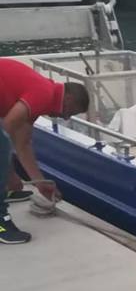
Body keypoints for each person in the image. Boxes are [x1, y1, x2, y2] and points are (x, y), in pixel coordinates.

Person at [0, 57, 90, 245]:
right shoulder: (44, 93)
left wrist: (41, 183)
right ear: (68, 99)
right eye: (71, 112)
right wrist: (9, 175)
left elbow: (22, 144)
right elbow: (6, 130)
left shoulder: (43, 95)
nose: (66, 118)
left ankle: (7, 191)